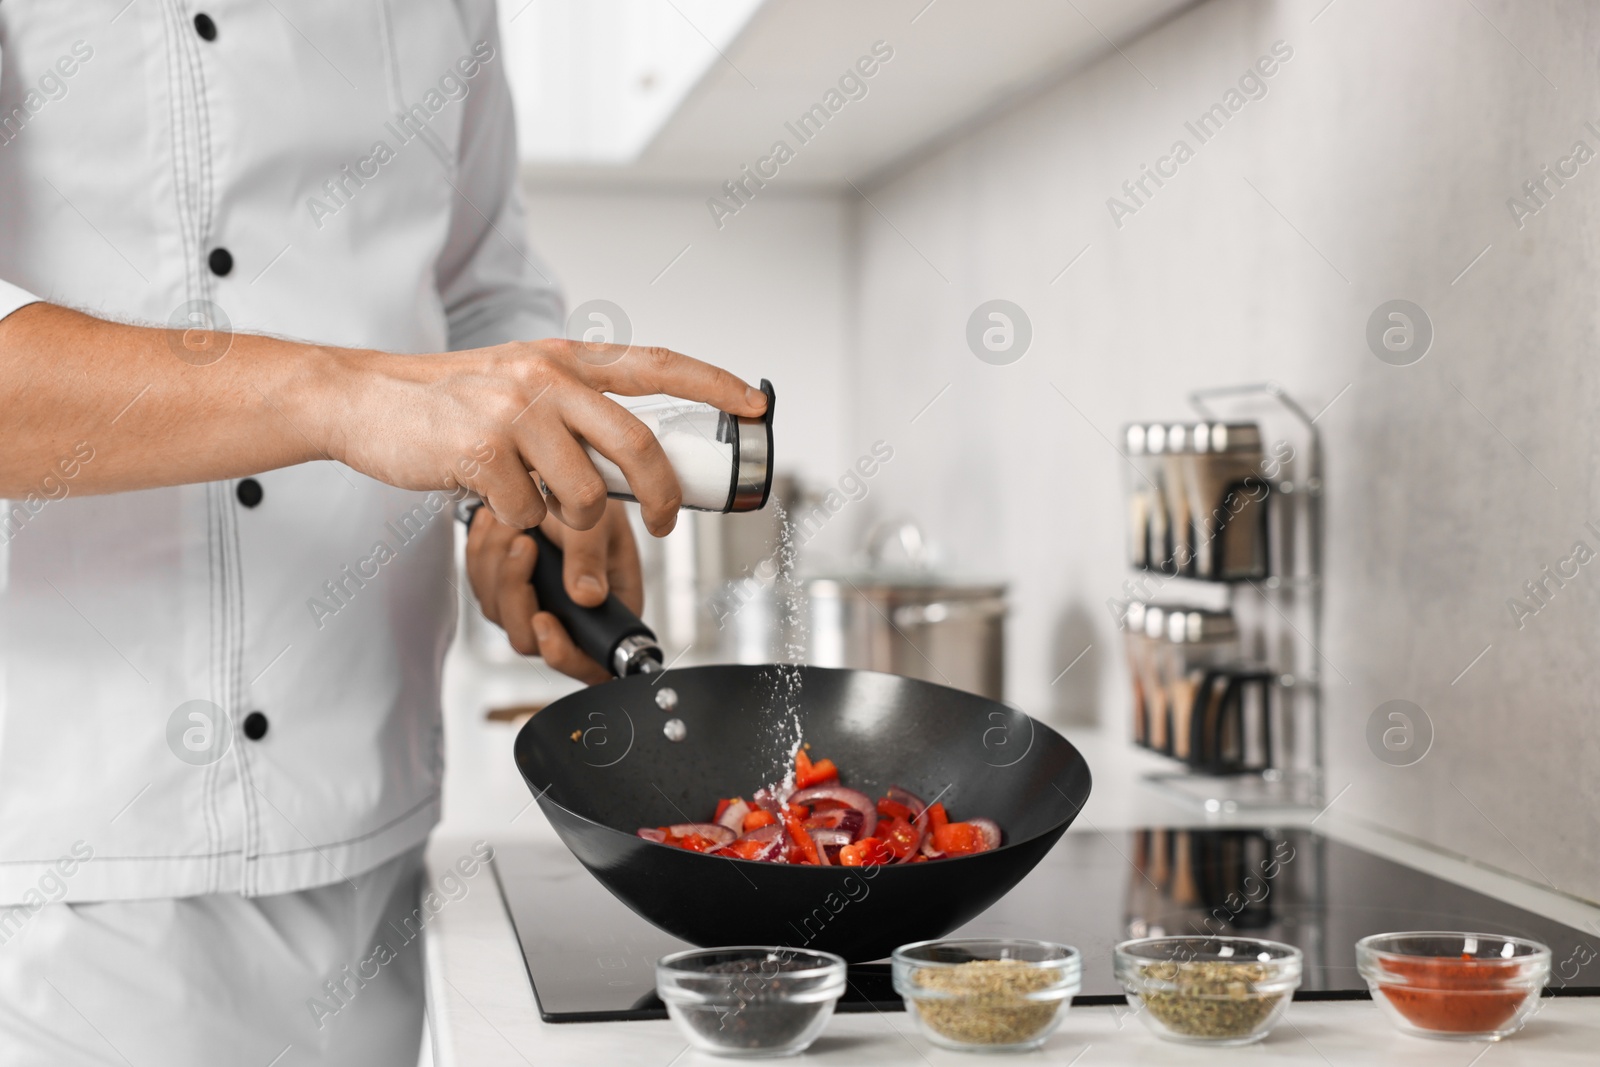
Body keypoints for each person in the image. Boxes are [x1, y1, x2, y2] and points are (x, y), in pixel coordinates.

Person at [0, 3, 761, 1063]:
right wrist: (341, 396)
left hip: (377, 845)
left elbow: (481, 290)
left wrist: (526, 489)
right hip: (58, 877)